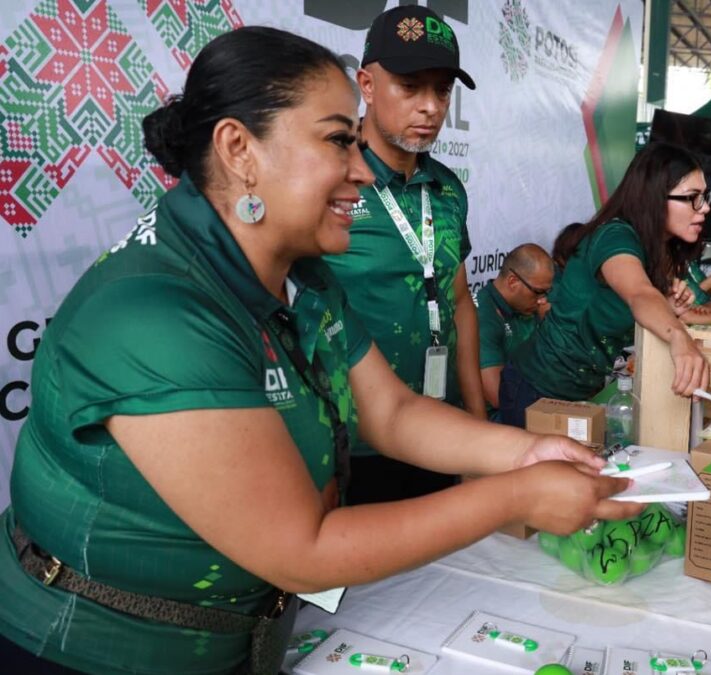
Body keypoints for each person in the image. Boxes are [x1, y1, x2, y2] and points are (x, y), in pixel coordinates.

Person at [0, 27, 640, 675]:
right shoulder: (154, 314)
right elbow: (301, 551)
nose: (361, 168)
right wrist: (517, 495)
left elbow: (390, 412)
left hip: (243, 641)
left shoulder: (303, 275)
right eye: (338, 140)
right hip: (90, 653)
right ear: (238, 149)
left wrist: (525, 451)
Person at [323, 6, 485, 503]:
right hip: (352, 442)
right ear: (366, 85)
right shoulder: (332, 182)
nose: (431, 107)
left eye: (441, 90)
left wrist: (477, 426)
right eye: (410, 87)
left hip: (440, 431)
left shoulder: (448, 190)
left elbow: (458, 302)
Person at [500, 142, 710, 426]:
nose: (705, 207)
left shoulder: (658, 249)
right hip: (537, 388)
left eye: (705, 195)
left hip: (582, 392)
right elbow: (638, 293)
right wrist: (678, 336)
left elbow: (640, 301)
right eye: (692, 197)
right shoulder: (615, 235)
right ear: (654, 198)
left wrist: (668, 307)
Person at [477, 244, 554, 416]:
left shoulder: (526, 306)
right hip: (492, 419)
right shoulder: (483, 316)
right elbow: (497, 396)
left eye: (547, 292)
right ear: (513, 281)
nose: (542, 300)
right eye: (538, 292)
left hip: (526, 402)